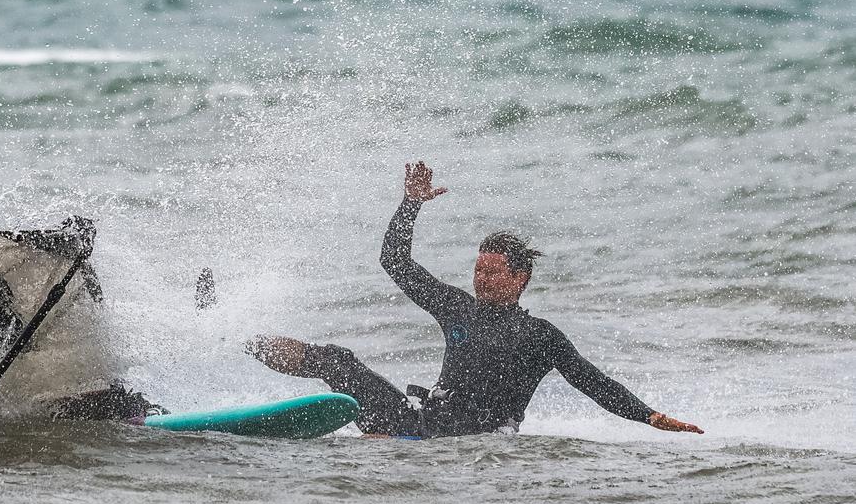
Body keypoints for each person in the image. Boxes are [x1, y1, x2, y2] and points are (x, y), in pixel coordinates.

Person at [247, 161, 704, 439]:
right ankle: (238, 337)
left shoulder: (541, 336)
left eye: (492, 272)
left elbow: (594, 383)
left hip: (469, 439)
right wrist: (411, 204)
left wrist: (650, 416)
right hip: (418, 422)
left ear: (520, 277)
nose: (480, 278)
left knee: (349, 373)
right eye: (478, 269)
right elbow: (395, 260)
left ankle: (385, 436)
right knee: (338, 359)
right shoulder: (457, 308)